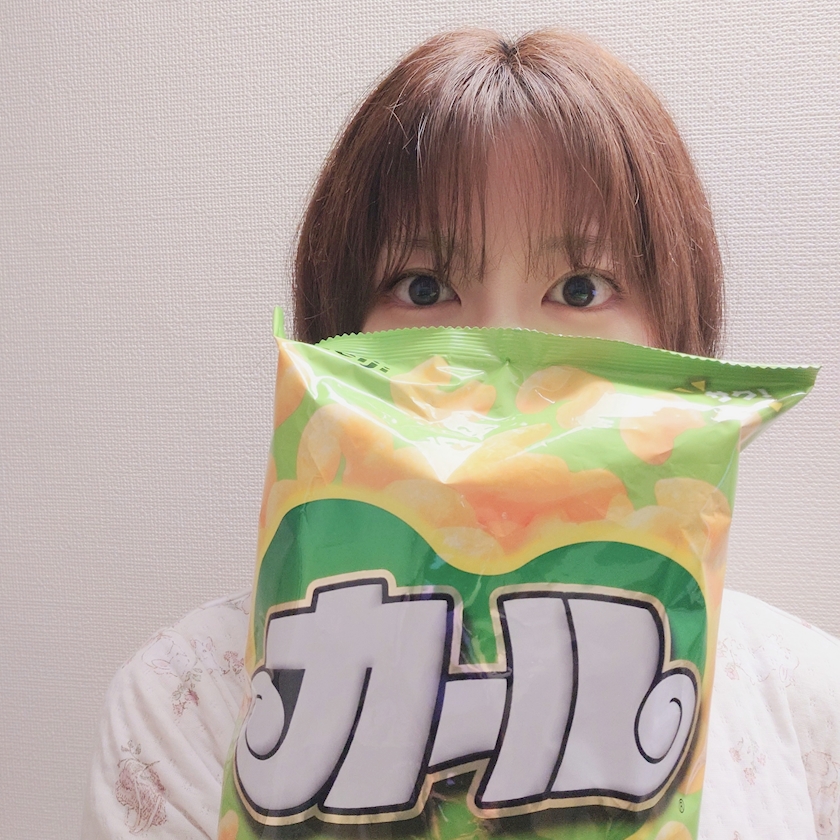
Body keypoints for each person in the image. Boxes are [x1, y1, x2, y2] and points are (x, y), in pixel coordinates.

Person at [83, 29, 840, 840]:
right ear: (334, 339)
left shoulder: (806, 706)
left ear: (678, 346)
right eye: (423, 286)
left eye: (580, 288)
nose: (499, 358)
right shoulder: (187, 704)